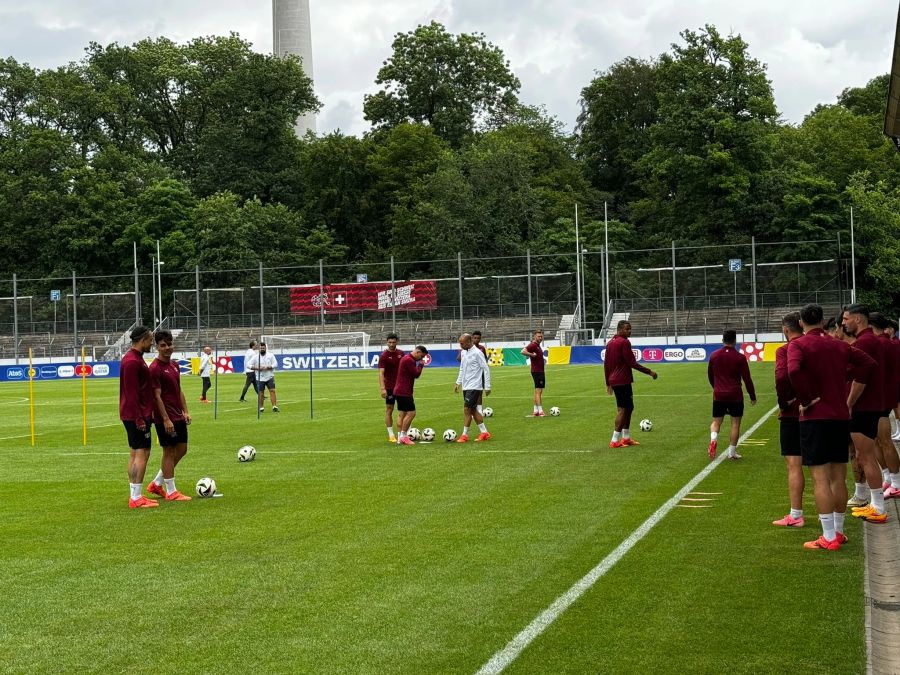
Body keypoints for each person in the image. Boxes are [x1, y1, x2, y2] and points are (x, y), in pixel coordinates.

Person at [787, 303, 876, 550]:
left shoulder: (799, 344)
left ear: (802, 323)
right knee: (838, 476)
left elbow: (793, 370)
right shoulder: (839, 345)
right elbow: (869, 364)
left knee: (820, 479)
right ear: (823, 320)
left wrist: (806, 398)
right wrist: (842, 377)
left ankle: (827, 537)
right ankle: (837, 532)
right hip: (839, 416)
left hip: (815, 416)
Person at [842, 304, 890, 523]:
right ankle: (874, 503)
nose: (844, 323)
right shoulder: (873, 341)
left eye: (846, 319)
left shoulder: (865, 343)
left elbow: (861, 379)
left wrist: (849, 403)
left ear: (858, 320)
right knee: (865, 456)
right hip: (871, 405)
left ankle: (878, 507)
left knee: (866, 457)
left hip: (864, 406)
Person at [146, 330, 192, 502]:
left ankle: (157, 483)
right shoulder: (155, 368)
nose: (167, 348)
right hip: (164, 416)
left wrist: (185, 410)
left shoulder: (175, 365)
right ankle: (171, 492)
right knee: (168, 450)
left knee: (182, 449)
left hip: (177, 414)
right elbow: (156, 396)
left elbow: (178, 389)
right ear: (156, 347)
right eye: (163, 345)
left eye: (169, 344)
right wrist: (165, 419)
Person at [119, 326, 158, 509]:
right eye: (150, 340)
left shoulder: (134, 359)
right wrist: (139, 417)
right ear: (143, 339)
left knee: (135, 452)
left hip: (135, 413)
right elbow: (131, 392)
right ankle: (135, 497)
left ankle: (135, 494)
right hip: (137, 414)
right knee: (142, 452)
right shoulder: (132, 361)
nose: (152, 343)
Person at [604, 320, 658, 448]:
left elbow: (606, 364)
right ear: (620, 329)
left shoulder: (611, 343)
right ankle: (614, 440)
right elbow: (632, 363)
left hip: (616, 380)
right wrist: (649, 372)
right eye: (627, 329)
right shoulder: (624, 342)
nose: (629, 331)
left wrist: (608, 382)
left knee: (628, 408)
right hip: (622, 380)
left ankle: (626, 438)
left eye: (630, 329)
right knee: (623, 409)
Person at [772, 312, 804, 527]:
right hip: (825, 412)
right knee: (828, 470)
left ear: (786, 329)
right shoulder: (826, 345)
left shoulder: (786, 350)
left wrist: (784, 403)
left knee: (794, 464)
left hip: (794, 413)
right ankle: (834, 526)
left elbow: (783, 377)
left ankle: (796, 514)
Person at [707, 329, 757, 460]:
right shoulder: (740, 357)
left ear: (722, 340)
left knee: (716, 421)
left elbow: (710, 376)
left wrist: (716, 388)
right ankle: (732, 452)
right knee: (735, 423)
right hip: (735, 395)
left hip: (719, 394)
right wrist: (752, 395)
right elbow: (747, 378)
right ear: (735, 341)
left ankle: (713, 439)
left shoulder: (714, 355)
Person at [868, 312, 900, 499]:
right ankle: (889, 478)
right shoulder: (889, 343)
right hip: (883, 396)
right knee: (877, 441)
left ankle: (895, 482)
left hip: (880, 398)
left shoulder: (881, 344)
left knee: (883, 440)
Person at [454, 333, 492, 443]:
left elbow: (486, 369)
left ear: (469, 341)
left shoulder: (477, 353)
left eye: (462, 343)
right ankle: (484, 432)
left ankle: (464, 435)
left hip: (475, 386)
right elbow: (461, 369)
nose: (460, 345)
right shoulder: (463, 352)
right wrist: (458, 382)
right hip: (466, 386)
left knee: (467, 409)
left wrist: (487, 386)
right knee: (473, 410)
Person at [392, 345, 428, 446]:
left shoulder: (405, 358)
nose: (421, 358)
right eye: (421, 356)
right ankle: (403, 436)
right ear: (418, 352)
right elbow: (416, 374)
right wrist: (421, 365)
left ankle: (400, 438)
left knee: (402, 414)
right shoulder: (409, 360)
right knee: (411, 413)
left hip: (399, 390)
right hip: (404, 391)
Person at [378, 333, 404, 442]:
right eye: (389, 342)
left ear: (397, 342)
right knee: (389, 409)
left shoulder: (401, 353)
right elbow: (381, 373)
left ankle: (404, 433)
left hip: (402, 386)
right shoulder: (384, 356)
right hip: (389, 387)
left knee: (404, 410)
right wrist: (382, 388)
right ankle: (391, 435)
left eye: (393, 342)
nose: (391, 344)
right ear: (387, 342)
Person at [248, 342, 279, 413]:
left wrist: (269, 366)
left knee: (272, 391)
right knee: (261, 393)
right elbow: (248, 365)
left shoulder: (270, 355)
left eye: (263, 348)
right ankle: (261, 407)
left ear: (265, 348)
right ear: (259, 349)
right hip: (260, 377)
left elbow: (275, 363)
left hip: (270, 376)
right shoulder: (255, 357)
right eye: (261, 348)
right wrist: (256, 368)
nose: (262, 349)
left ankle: (274, 406)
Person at [522, 330, 546, 416]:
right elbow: (523, 351)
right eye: (539, 336)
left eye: (541, 336)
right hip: (537, 371)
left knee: (538, 391)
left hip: (539, 371)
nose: (540, 338)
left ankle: (535, 410)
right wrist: (532, 355)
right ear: (534, 337)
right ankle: (540, 411)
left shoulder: (538, 346)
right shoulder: (533, 345)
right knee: (538, 391)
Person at [472, 331, 488, 416]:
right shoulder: (468, 348)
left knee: (479, 391)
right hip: (471, 374)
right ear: (472, 338)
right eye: (475, 338)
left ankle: (479, 410)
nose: (476, 340)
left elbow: (485, 359)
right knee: (471, 391)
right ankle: (471, 409)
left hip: (480, 373)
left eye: (478, 338)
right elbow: (459, 358)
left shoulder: (482, 348)